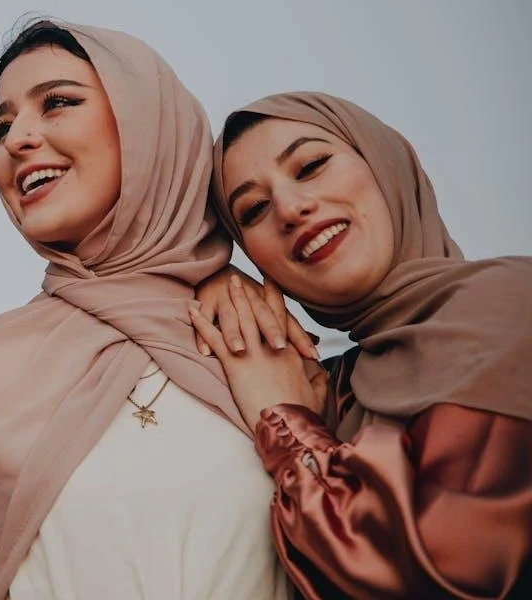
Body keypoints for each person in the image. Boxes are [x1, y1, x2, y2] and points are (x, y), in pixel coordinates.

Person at [0, 20, 290, 600]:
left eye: (57, 102)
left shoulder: (260, 333)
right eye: (1, 126)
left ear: (148, 124)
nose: (16, 140)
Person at [193, 91, 532, 598]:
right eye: (254, 209)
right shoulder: (335, 385)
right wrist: (207, 277)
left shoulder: (509, 307)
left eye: (310, 165)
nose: (290, 207)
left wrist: (286, 425)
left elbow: (440, 574)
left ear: (386, 163)